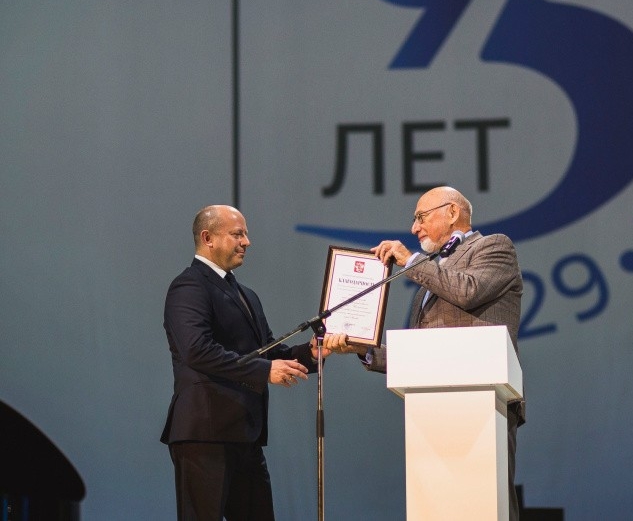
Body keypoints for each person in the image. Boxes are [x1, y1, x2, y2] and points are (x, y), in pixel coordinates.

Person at [324, 186, 525, 520]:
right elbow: (423, 354)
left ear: (452, 212)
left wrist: (410, 260)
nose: (414, 228)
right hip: (431, 409)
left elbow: (468, 291)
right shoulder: (432, 272)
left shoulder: (493, 247)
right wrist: (364, 348)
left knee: (485, 504)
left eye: (420, 217)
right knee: (437, 505)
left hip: (484, 400)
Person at [161, 204, 325, 520]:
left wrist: (311, 353)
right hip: (205, 434)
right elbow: (197, 350)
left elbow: (268, 352)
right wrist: (265, 371)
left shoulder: (246, 294)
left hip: (245, 436)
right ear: (208, 238)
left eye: (245, 234)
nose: (246, 242)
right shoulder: (189, 286)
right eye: (238, 234)